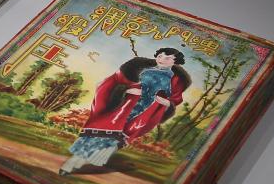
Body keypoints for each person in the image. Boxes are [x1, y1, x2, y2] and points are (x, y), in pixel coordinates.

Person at [59, 47, 191, 176]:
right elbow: (131, 84)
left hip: (144, 110)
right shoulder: (147, 70)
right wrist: (128, 90)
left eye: (167, 58)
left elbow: (169, 97)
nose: (162, 59)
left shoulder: (174, 80)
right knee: (102, 132)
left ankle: (76, 164)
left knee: (113, 139)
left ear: (175, 61)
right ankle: (72, 163)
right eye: (160, 56)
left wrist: (166, 103)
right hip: (127, 105)